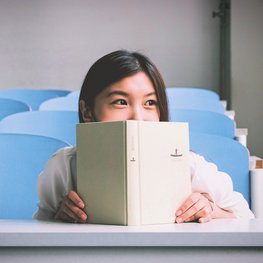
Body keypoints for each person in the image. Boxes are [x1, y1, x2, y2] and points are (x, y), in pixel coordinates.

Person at [33, 50, 254, 223]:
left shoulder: (188, 165)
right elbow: (39, 230)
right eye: (120, 101)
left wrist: (212, 211)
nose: (138, 117)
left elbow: (245, 217)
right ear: (88, 111)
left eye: (150, 103)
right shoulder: (64, 166)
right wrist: (58, 218)